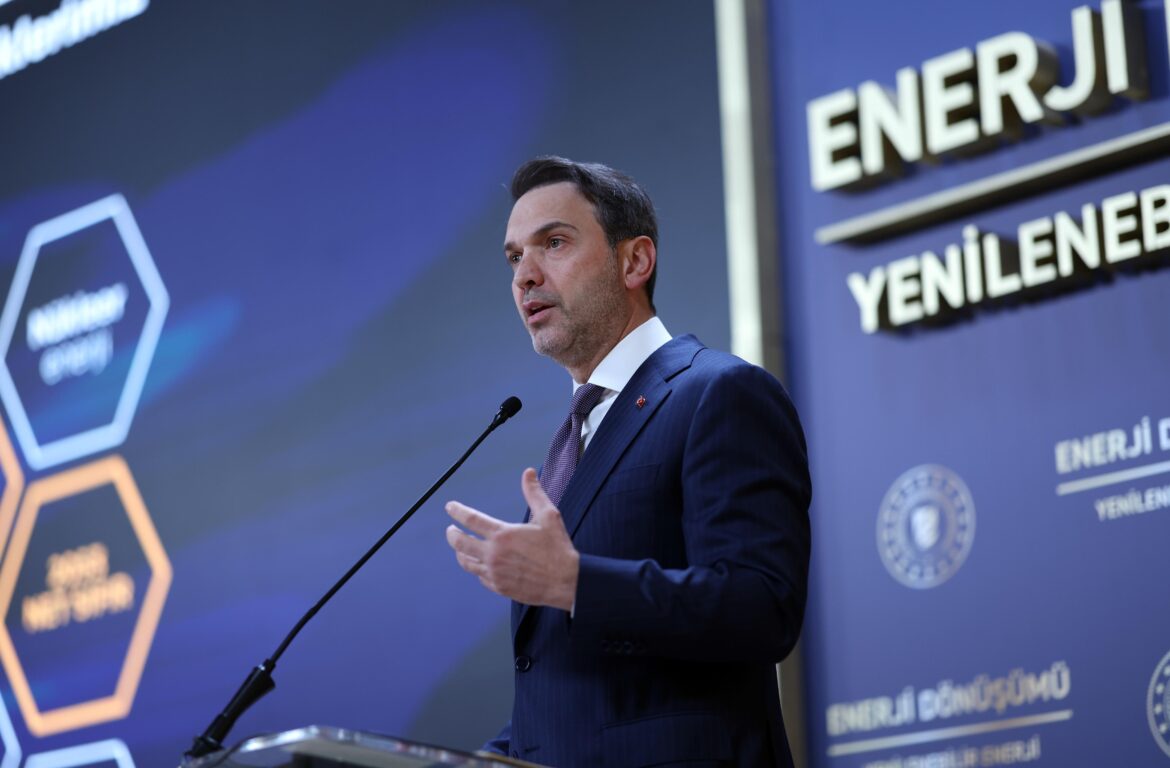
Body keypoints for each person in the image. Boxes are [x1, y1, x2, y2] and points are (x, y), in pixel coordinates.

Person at [445, 156, 811, 768]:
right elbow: (582, 697)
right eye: (514, 258)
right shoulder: (576, 435)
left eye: (553, 243)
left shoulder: (718, 393)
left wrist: (574, 583)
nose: (525, 276)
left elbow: (761, 607)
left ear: (634, 261)